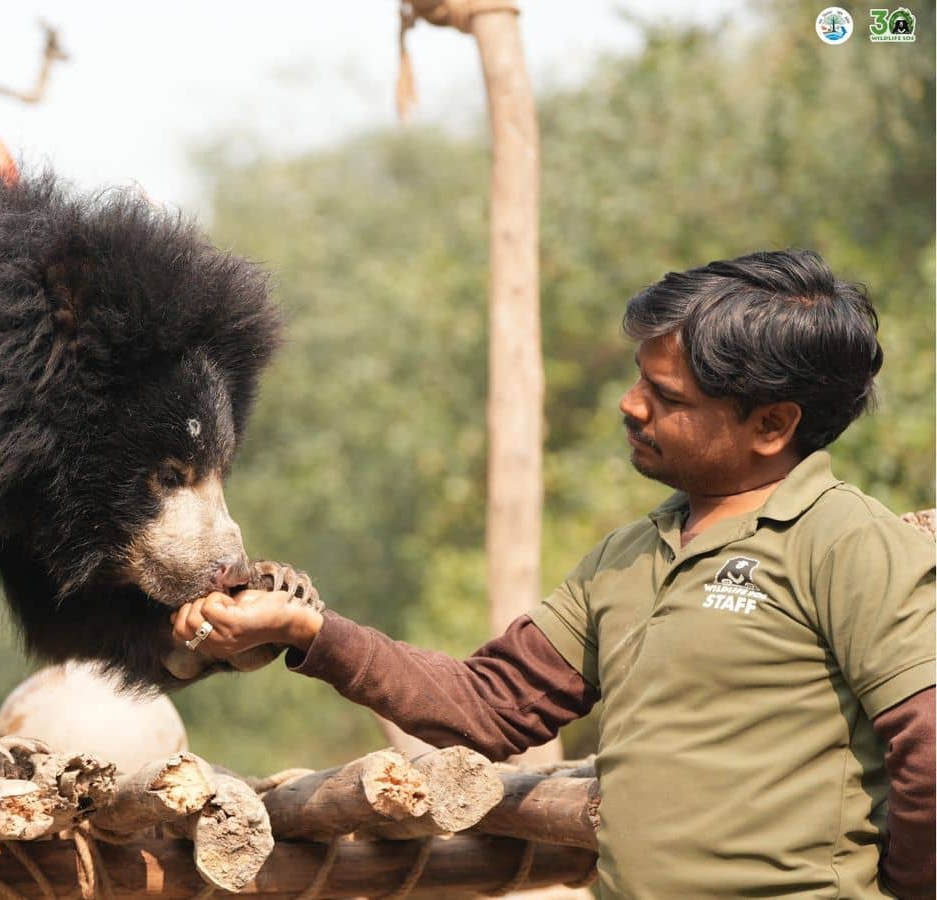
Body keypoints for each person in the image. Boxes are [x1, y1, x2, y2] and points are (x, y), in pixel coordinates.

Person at [173, 250, 935, 899]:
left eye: (667, 397)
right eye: (641, 379)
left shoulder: (846, 544)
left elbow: (929, 750)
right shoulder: (629, 556)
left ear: (773, 425)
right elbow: (488, 705)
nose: (630, 405)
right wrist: (309, 629)